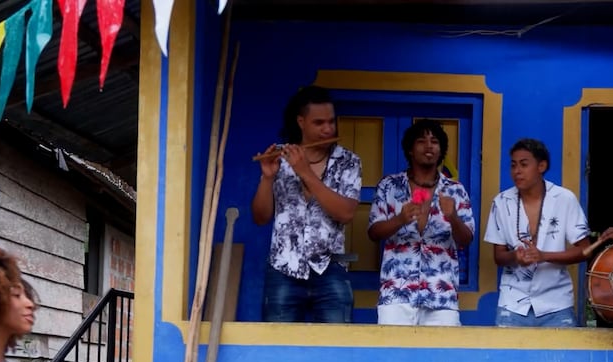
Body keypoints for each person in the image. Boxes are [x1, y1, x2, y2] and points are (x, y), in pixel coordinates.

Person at [253, 85, 363, 323]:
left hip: (330, 268)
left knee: (335, 348)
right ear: (301, 122)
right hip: (283, 267)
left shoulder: (348, 162)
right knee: (278, 347)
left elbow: (345, 213)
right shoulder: (280, 158)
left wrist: (305, 173)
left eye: (331, 122)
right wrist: (267, 177)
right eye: (319, 123)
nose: (328, 129)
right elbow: (261, 217)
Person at [367, 119, 476, 326]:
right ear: (410, 149)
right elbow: (373, 232)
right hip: (396, 294)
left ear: (441, 149)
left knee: (442, 358)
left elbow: (466, 239)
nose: (429, 146)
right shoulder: (389, 186)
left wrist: (452, 217)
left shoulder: (455, 190)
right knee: (394, 356)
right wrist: (400, 219)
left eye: (434, 141)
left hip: (441, 296)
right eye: (421, 141)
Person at [484, 139, 591, 327]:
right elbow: (499, 257)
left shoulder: (564, 199)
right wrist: (515, 257)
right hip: (512, 303)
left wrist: (544, 256)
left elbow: (586, 250)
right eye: (513, 165)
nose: (517, 171)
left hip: (556, 304)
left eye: (524, 164)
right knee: (510, 357)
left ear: (541, 166)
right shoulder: (501, 202)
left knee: (561, 357)